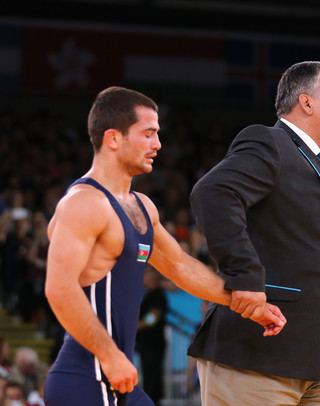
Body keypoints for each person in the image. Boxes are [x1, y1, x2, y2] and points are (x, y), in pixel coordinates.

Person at [43, 86, 286, 406]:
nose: (157, 144)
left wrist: (248, 306)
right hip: (86, 379)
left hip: (118, 382)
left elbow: (180, 267)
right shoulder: (84, 204)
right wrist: (110, 356)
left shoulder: (142, 207)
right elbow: (59, 289)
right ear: (113, 138)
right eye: (148, 134)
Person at [188, 60, 320, 405]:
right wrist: (245, 275)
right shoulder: (269, 142)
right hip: (259, 357)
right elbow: (214, 193)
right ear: (307, 102)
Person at [135, 269, 168, 405]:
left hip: (154, 343)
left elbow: (154, 316)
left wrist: (137, 326)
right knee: (147, 373)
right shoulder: (146, 294)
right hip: (144, 343)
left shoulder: (158, 295)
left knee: (153, 374)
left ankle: (153, 401)